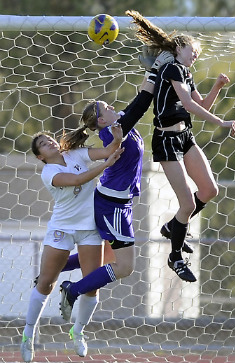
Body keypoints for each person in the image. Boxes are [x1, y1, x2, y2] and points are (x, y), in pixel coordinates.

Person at [58, 50, 174, 323]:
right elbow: (140, 106)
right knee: (124, 267)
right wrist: (156, 70)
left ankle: (54, 269)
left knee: (103, 253)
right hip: (112, 206)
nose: (110, 106)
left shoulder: (118, 122)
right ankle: (72, 290)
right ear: (100, 121)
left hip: (117, 203)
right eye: (104, 107)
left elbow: (139, 100)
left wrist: (157, 73)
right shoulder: (112, 131)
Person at [125, 10, 235, 283]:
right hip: (165, 141)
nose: (195, 56)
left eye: (198, 54)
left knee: (209, 190)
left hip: (185, 138)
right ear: (178, 48)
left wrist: (218, 86)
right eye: (193, 51)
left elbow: (201, 105)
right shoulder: (172, 68)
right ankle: (175, 256)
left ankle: (172, 226)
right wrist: (222, 123)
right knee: (187, 202)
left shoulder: (185, 73)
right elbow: (189, 105)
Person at [20, 126, 123, 363]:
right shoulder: (49, 172)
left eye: (50, 139)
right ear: (40, 157)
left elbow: (108, 150)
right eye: (44, 144)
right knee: (46, 282)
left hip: (89, 229)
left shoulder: (74, 154)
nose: (50, 143)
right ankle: (28, 333)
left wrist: (116, 139)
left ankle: (78, 332)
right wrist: (106, 165)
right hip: (61, 229)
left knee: (91, 285)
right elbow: (77, 179)